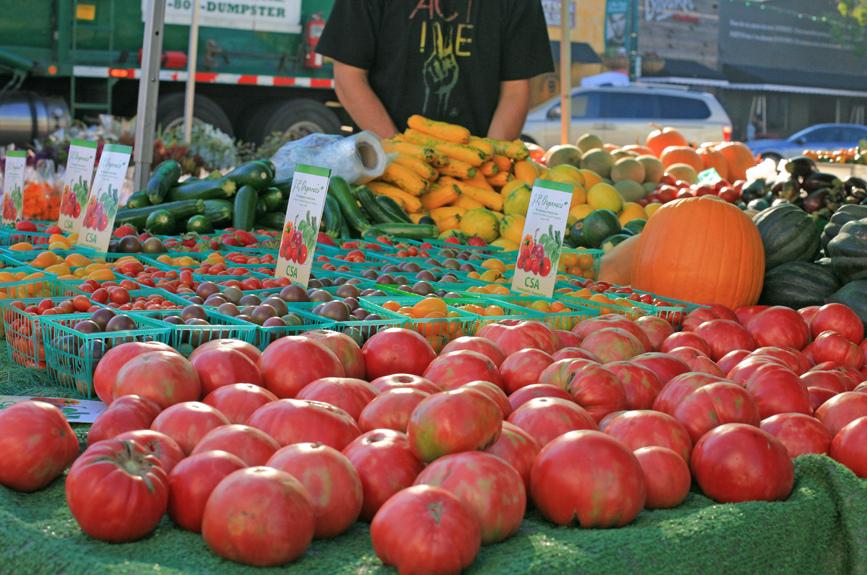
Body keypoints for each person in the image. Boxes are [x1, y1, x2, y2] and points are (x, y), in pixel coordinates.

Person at [315, 0, 555, 141]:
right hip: (384, 168)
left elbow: (516, 90)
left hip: (474, 180)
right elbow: (348, 76)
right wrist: (399, 153)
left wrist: (485, 164)